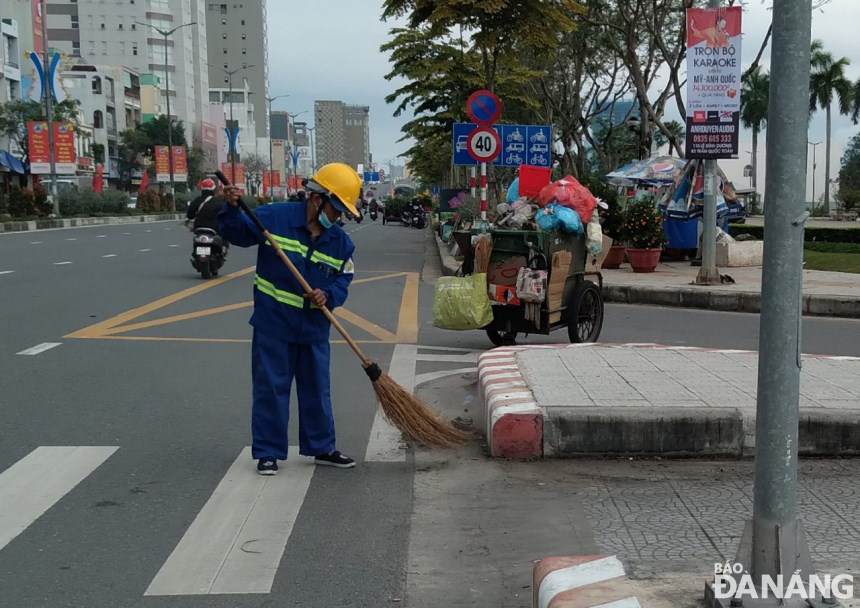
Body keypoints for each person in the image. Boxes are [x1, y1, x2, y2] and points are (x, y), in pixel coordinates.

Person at [218, 162, 361, 474]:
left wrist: (329, 295)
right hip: (274, 324)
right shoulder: (274, 218)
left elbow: (344, 278)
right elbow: (238, 233)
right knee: (271, 388)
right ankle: (268, 452)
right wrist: (229, 208)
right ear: (316, 198)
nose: (337, 217)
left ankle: (322, 447)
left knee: (317, 392)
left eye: (341, 212)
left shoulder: (341, 243)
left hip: (313, 329)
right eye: (335, 209)